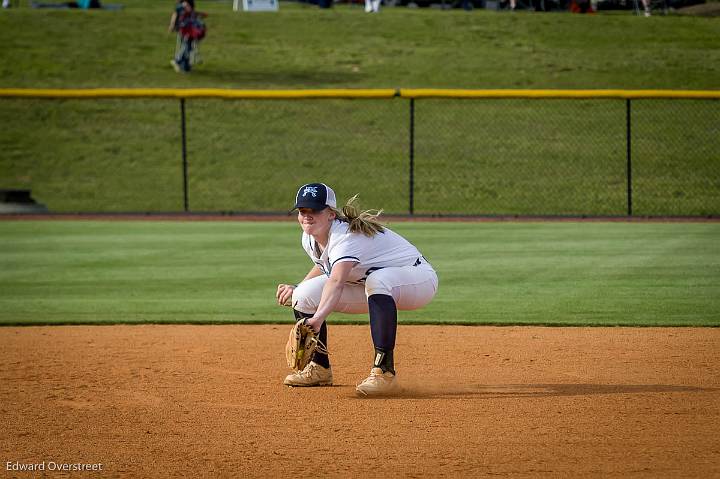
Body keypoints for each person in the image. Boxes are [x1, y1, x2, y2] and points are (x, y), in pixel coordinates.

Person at [277, 183, 439, 396]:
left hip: (417, 280)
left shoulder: (346, 237)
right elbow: (325, 264)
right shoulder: (310, 236)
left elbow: (336, 281)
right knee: (303, 296)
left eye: (314, 210)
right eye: (302, 211)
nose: (307, 216)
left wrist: (316, 320)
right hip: (369, 285)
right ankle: (319, 367)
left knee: (377, 279)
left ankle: (384, 373)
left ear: (331, 214)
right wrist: (298, 286)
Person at [170, 0, 207, 73]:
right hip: (186, 30)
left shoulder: (187, 4)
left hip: (190, 29)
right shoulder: (183, 5)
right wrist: (172, 25)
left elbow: (192, 13)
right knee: (187, 46)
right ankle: (178, 60)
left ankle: (185, 66)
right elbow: (178, 14)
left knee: (189, 46)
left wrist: (199, 14)